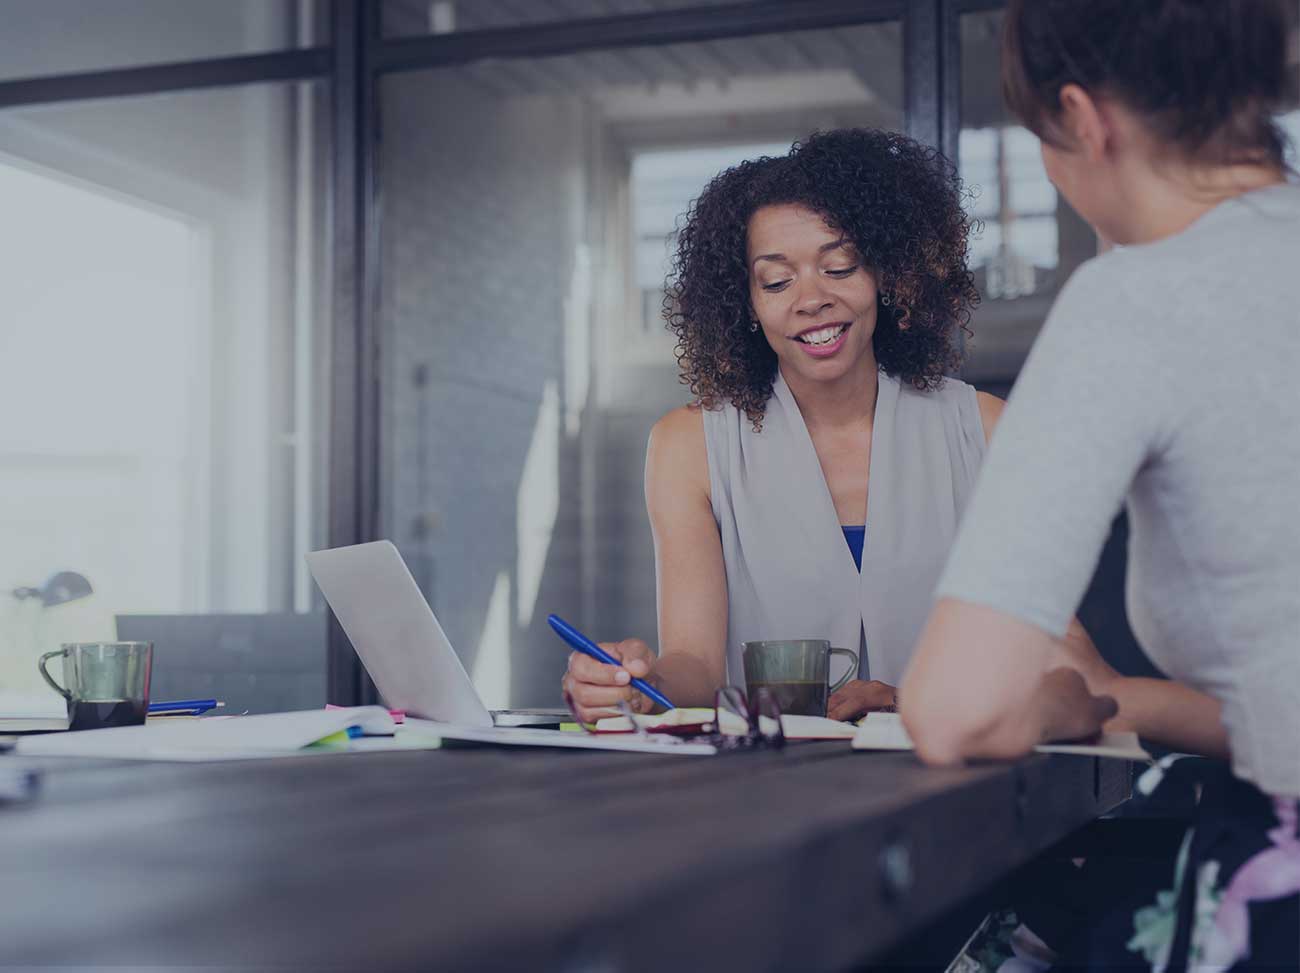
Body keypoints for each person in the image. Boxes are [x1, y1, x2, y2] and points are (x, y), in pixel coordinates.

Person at [900, 0, 1299, 967]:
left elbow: (960, 708)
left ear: (1084, 119)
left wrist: (1044, 703)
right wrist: (1122, 696)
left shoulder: (1136, 298)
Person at [563, 128, 1010, 724]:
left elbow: (1037, 656)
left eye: (840, 266)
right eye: (777, 281)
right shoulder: (689, 447)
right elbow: (695, 662)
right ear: (745, 302)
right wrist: (642, 684)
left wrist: (911, 706)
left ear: (886, 274)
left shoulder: (982, 430)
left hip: (959, 785)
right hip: (773, 797)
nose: (811, 299)